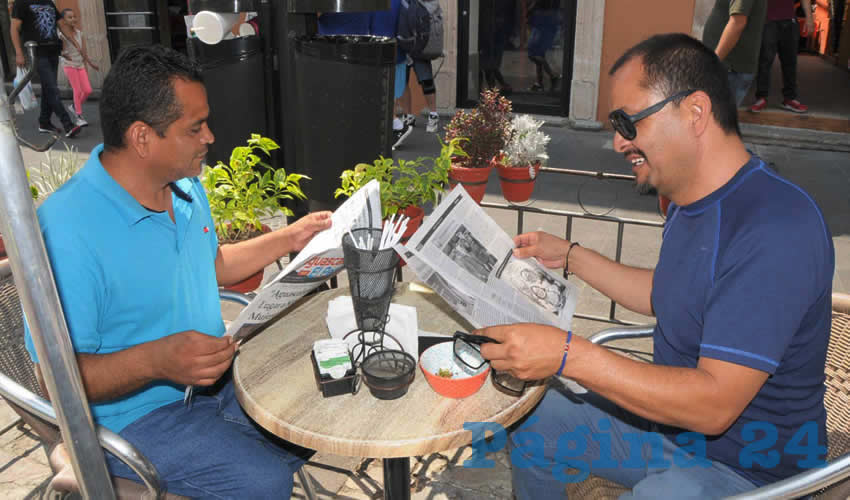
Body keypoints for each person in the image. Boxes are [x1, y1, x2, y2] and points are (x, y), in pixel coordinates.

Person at [478, 33, 833, 499]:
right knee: (533, 421)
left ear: (695, 112)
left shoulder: (775, 227)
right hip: (670, 434)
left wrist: (569, 355)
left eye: (627, 122)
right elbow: (668, 293)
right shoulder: (689, 202)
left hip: (752, 471)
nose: (617, 141)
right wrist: (571, 256)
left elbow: (714, 406)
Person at [23, 45, 333, 498]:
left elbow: (213, 265)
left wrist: (289, 239)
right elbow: (53, 379)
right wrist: (157, 361)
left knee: (312, 410)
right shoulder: (66, 231)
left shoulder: (184, 187)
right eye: (195, 127)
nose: (209, 136)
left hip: (214, 383)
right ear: (143, 138)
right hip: (130, 420)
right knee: (263, 482)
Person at [10, 0, 82, 138]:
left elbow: (61, 24)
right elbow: (14, 28)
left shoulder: (48, 2)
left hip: (53, 50)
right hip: (36, 52)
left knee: (48, 88)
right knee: (52, 89)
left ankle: (44, 122)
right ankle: (68, 124)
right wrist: (19, 53)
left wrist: (73, 42)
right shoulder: (21, 3)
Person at [749, 0, 813, 113]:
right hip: (768, 20)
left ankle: (790, 99)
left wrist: (809, 18)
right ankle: (761, 97)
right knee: (765, 60)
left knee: (790, 61)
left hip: (790, 20)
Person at [702, 0, 768, 106]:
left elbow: (738, 23)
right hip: (726, 67)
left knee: (715, 119)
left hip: (729, 68)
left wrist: (714, 61)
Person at [59, 8, 98, 127]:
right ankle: (79, 116)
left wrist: (90, 63)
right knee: (78, 90)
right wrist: (63, 53)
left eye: (74, 16)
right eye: (69, 17)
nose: (73, 19)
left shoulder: (80, 33)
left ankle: (74, 106)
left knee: (88, 90)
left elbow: (83, 51)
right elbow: (61, 51)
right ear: (64, 21)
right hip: (69, 65)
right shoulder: (62, 35)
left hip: (80, 64)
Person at [526, 0, 561, 93]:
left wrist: (530, 12)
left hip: (540, 25)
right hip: (544, 25)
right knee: (539, 55)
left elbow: (531, 9)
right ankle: (539, 83)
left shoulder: (540, 6)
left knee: (532, 54)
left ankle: (552, 76)